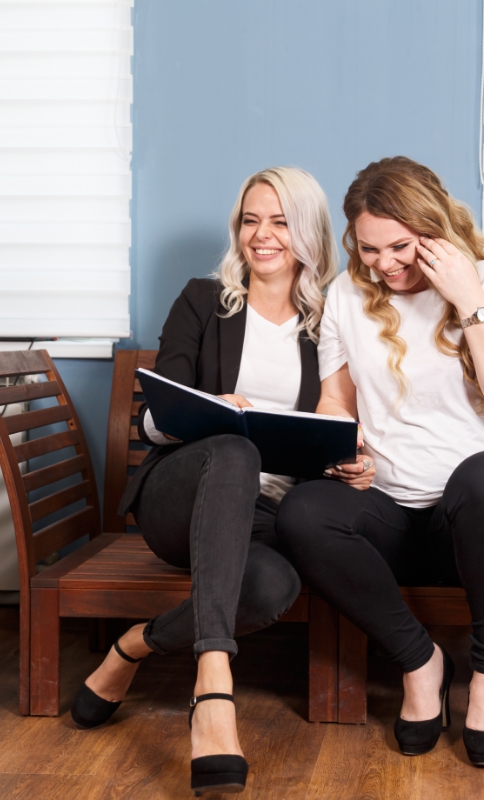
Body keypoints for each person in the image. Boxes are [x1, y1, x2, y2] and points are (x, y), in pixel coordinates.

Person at [71, 166, 338, 795]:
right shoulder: (202, 298)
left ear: (309, 232)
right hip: (180, 497)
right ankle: (214, 689)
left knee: (272, 586)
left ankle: (135, 645)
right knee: (236, 451)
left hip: (268, 515)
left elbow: (342, 418)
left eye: (280, 222)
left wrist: (346, 455)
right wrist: (210, 407)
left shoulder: (332, 318)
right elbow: (154, 416)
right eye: (251, 220)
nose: (262, 236)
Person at [276, 156, 484, 767]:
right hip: (389, 518)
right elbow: (335, 401)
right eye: (369, 249)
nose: (385, 264)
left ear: (436, 229)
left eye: (400, 246)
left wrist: (468, 297)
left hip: (477, 528)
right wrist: (344, 450)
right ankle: (420, 663)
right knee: (303, 509)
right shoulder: (346, 294)